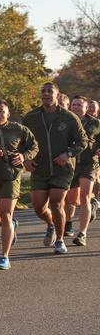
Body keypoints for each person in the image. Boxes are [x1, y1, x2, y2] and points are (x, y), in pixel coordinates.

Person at [23, 83, 88, 254]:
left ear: (58, 96)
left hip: (62, 169)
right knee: (38, 207)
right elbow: (22, 143)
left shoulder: (69, 117)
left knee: (56, 203)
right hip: (39, 168)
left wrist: (68, 153)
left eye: (49, 91)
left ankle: (60, 240)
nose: (46, 94)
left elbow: (83, 141)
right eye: (43, 91)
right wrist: (26, 159)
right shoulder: (31, 117)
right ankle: (52, 224)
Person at [0, 99, 38, 268]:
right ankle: (11, 226)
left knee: (6, 214)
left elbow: (34, 146)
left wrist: (23, 156)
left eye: (1, 110)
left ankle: (4, 256)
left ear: (8, 113)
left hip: (11, 176)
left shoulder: (19, 129)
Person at [66, 95, 100, 245]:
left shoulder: (96, 123)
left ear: (86, 108)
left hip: (89, 163)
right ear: (70, 107)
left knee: (85, 196)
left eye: (80, 105)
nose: (76, 107)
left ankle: (82, 234)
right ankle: (92, 206)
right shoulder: (66, 122)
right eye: (74, 105)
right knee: (74, 201)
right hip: (71, 164)